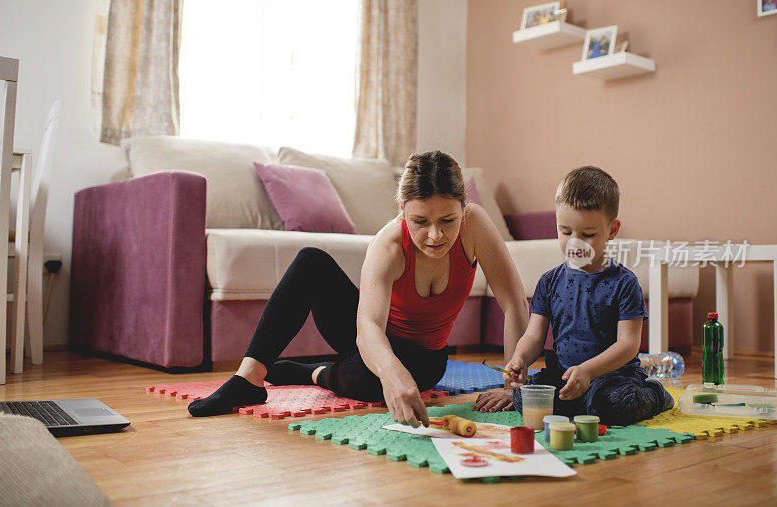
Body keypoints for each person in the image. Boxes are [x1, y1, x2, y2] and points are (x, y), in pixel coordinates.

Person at [188, 151, 530, 427]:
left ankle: (313, 372)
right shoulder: (388, 244)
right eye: (420, 222)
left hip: (425, 359)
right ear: (402, 211)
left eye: (447, 221)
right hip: (368, 339)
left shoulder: (476, 225)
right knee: (310, 261)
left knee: (369, 385)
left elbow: (514, 303)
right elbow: (367, 329)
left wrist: (513, 388)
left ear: (463, 209)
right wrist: (392, 372)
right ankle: (249, 377)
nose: (435, 236)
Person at [473, 166, 673, 425]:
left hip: (611, 378)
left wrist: (588, 371)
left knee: (613, 405)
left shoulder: (624, 282)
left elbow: (628, 345)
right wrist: (519, 359)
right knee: (525, 398)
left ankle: (656, 394)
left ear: (612, 231)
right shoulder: (549, 281)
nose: (574, 243)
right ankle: (580, 403)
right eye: (565, 232)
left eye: (587, 235)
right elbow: (534, 335)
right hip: (563, 376)